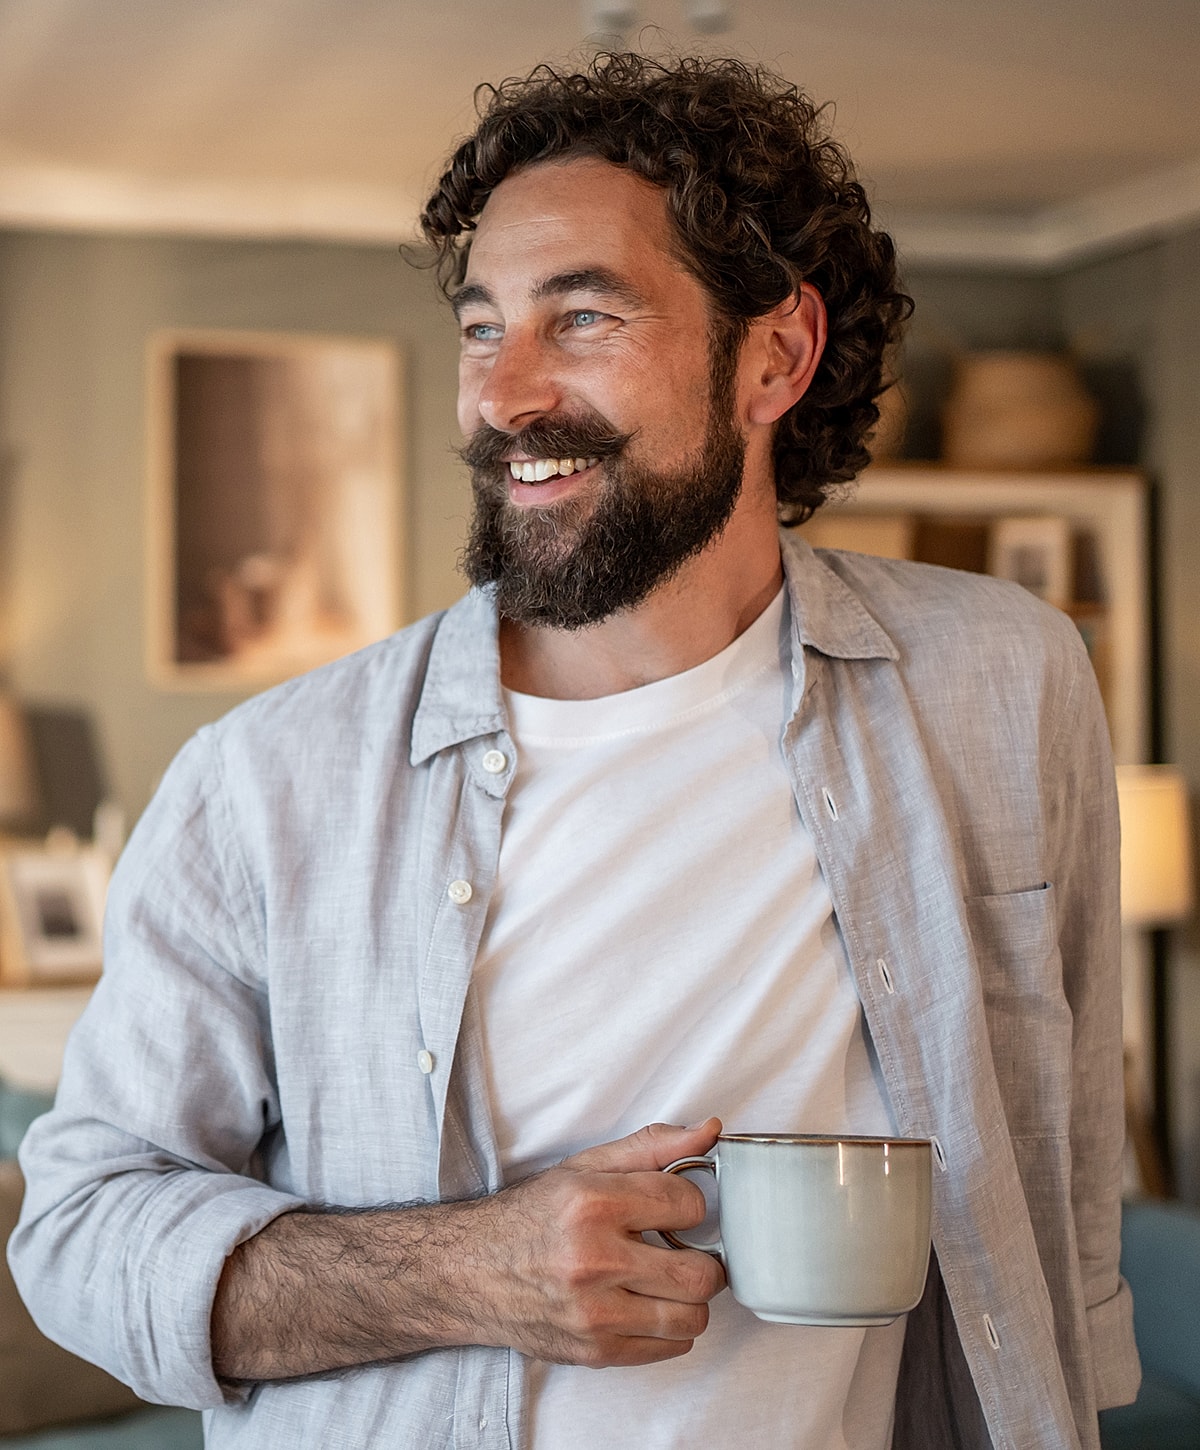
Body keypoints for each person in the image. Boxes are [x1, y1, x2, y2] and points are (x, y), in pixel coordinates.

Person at [10, 53, 1138, 1449]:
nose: (507, 395)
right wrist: (474, 1269)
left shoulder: (999, 682)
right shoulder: (266, 783)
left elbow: (1067, 1183)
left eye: (583, 317)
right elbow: (77, 1230)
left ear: (775, 355)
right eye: (484, 329)